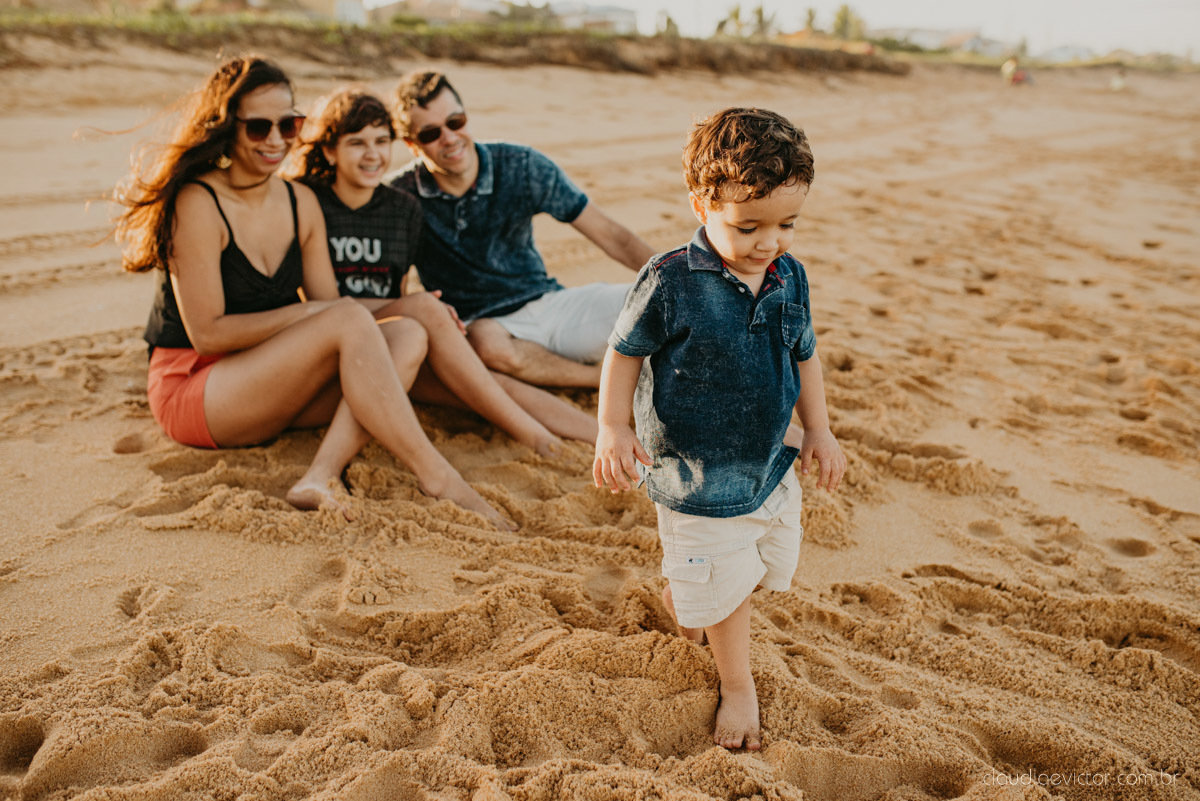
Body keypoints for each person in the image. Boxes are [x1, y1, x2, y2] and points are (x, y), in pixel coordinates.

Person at [114, 55, 510, 528]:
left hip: (269, 379)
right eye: (259, 127)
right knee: (348, 319)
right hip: (196, 390)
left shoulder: (299, 200)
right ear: (226, 126)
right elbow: (209, 336)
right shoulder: (198, 202)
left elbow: (332, 308)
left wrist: (413, 307)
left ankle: (321, 474)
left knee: (406, 335)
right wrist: (309, 314)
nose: (276, 140)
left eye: (289, 124)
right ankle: (439, 477)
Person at [592, 108, 847, 750]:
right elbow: (623, 353)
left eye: (787, 224)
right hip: (695, 471)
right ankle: (738, 685)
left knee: (758, 568)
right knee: (727, 585)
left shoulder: (789, 275)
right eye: (748, 226)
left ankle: (687, 604)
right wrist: (612, 427)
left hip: (766, 459)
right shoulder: (671, 279)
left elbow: (805, 355)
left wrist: (818, 429)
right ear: (702, 204)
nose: (769, 243)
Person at [286, 87, 597, 452]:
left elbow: (396, 290)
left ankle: (596, 437)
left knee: (486, 382)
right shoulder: (309, 202)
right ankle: (530, 433)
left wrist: (414, 311)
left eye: (381, 141)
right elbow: (325, 305)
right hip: (328, 339)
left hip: (389, 337)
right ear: (329, 150)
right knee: (427, 312)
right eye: (357, 143)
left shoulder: (402, 207)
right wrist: (417, 309)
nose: (373, 154)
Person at [387, 70, 656, 389]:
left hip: (549, 305)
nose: (449, 138)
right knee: (486, 344)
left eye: (455, 122)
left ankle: (557, 367)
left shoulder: (521, 165)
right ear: (412, 144)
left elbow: (611, 235)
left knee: (657, 302)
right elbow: (395, 289)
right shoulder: (400, 199)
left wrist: (680, 281)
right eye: (431, 133)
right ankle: (607, 381)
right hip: (481, 327)